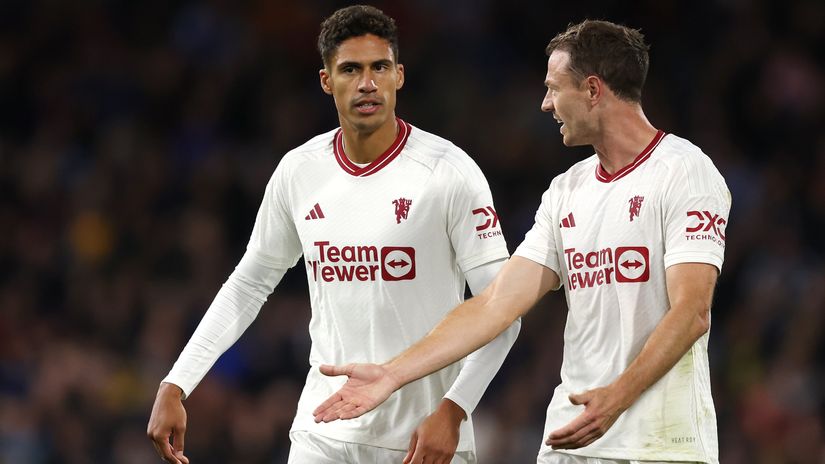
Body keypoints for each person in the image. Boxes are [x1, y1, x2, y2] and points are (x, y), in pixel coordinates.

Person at [313, 19, 731, 464]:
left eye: (554, 88)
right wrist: (392, 374)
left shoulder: (684, 171)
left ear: (593, 90)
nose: (546, 103)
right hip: (570, 438)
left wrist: (618, 397)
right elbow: (495, 304)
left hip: (661, 444)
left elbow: (692, 312)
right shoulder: (567, 189)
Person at [146, 5, 520, 464]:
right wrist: (177, 381)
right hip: (321, 433)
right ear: (327, 80)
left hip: (423, 438)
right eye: (351, 70)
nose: (368, 83)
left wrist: (454, 410)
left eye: (379, 67)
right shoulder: (299, 171)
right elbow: (249, 284)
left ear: (399, 75)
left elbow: (503, 311)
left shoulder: (449, 172)